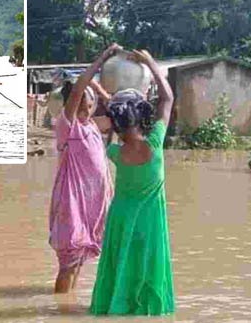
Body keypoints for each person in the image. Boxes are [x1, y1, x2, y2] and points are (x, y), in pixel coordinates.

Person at [90, 49, 175, 316]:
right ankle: (146, 310)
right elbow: (167, 97)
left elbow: (117, 126)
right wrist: (149, 61)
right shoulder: (155, 142)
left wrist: (102, 82)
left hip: (121, 217)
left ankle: (116, 306)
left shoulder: (114, 151)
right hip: (150, 218)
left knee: (121, 263)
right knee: (148, 264)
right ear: (142, 115)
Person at [49, 45, 117, 294]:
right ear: (70, 105)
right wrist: (103, 58)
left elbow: (114, 109)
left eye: (89, 105)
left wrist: (99, 92)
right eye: (81, 105)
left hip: (90, 205)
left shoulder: (91, 127)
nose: (86, 109)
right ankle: (58, 310)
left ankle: (65, 306)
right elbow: (78, 89)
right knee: (68, 264)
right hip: (72, 204)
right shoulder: (69, 127)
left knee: (77, 264)